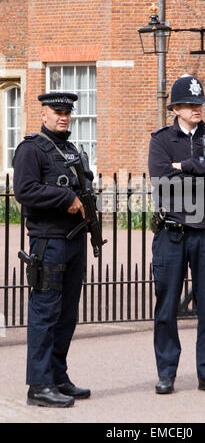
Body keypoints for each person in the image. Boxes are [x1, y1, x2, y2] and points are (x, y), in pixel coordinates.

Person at [148, 75, 205, 394]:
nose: (196, 108)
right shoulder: (160, 140)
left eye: (199, 103)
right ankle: (166, 373)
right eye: (189, 104)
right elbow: (161, 177)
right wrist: (204, 170)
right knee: (166, 306)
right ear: (175, 109)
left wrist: (185, 166)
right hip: (172, 233)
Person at [13, 92, 91, 407]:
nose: (63, 117)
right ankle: (39, 385)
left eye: (67, 112)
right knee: (45, 312)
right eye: (57, 111)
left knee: (67, 315)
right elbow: (25, 191)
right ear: (43, 113)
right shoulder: (31, 149)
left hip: (74, 240)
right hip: (49, 242)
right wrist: (65, 199)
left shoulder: (70, 149)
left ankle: (58, 377)